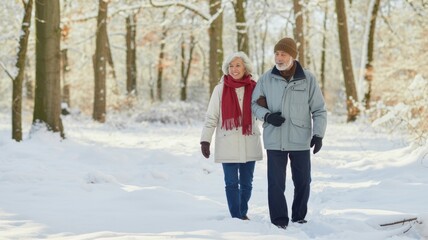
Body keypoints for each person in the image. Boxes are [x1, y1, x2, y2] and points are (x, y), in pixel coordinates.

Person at [251, 37, 327, 229]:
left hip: (300, 139)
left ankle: (299, 217)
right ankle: (279, 221)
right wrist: (267, 116)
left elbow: (319, 109)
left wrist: (318, 135)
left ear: (293, 56)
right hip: (274, 139)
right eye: (276, 53)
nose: (279, 57)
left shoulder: (308, 79)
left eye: (283, 54)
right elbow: (254, 105)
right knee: (275, 184)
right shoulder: (266, 79)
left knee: (303, 181)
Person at [200, 51, 263, 220]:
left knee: (247, 184)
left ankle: (242, 211)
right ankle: (237, 216)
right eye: (231, 66)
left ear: (245, 67)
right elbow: (211, 116)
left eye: (238, 65)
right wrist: (205, 140)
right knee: (231, 183)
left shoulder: (255, 87)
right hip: (227, 142)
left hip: (249, 140)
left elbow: (264, 114)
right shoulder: (220, 89)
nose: (234, 69)